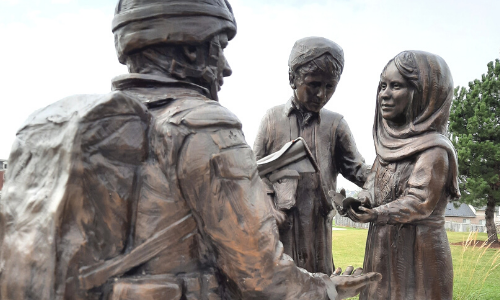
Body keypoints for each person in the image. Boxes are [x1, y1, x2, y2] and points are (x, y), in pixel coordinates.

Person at [0, 1, 380, 300]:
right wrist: (327, 288)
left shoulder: (47, 121)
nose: (226, 68)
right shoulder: (206, 126)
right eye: (219, 48)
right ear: (192, 51)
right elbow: (261, 272)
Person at [347, 51, 460, 300]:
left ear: (425, 94)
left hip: (418, 253)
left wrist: (377, 213)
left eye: (396, 86)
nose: (384, 95)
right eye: (382, 86)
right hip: (382, 249)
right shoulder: (386, 147)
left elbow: (419, 201)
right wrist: (363, 199)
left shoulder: (434, 150)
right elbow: (373, 185)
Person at [253, 37, 370, 275]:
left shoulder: (335, 125)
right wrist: (268, 203)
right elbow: (251, 174)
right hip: (281, 227)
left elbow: (359, 171)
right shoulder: (271, 120)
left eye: (330, 86)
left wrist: (390, 171)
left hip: (318, 230)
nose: (321, 94)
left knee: (320, 284)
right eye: (313, 84)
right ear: (292, 78)